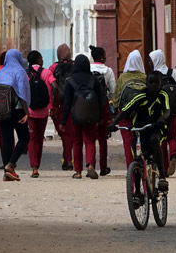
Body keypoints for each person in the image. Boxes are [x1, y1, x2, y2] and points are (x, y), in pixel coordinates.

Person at [110, 71, 171, 192]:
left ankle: (162, 177)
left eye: (156, 83)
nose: (153, 85)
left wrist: (162, 118)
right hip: (141, 130)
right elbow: (125, 111)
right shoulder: (140, 96)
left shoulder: (163, 95)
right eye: (151, 82)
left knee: (154, 140)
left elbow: (167, 110)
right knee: (136, 158)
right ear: (146, 83)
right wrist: (113, 123)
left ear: (161, 83)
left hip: (157, 128)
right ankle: (137, 192)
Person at [60, 54, 106, 179]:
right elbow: (100, 99)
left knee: (77, 141)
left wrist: (63, 121)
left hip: (74, 115)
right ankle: (91, 165)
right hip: (91, 114)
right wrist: (101, 116)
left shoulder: (70, 80)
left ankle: (78, 171)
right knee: (90, 140)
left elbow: (67, 103)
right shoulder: (94, 79)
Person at [0, 49, 31, 181]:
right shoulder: (20, 72)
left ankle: (7, 171)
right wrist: (27, 113)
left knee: (7, 139)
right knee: (24, 137)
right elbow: (23, 94)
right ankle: (11, 164)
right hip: (18, 110)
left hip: (2, 110)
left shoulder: (1, 72)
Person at [149, 49, 176, 176]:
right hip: (173, 112)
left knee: (162, 139)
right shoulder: (173, 73)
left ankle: (164, 168)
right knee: (172, 136)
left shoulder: (153, 76)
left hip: (159, 113)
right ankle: (173, 157)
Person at [115, 50, 147, 168]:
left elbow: (116, 98)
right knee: (143, 139)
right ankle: (144, 166)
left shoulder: (122, 78)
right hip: (141, 114)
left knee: (128, 142)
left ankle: (130, 167)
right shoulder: (145, 77)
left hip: (125, 115)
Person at [25, 50, 54, 179]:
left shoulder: (25, 74)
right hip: (43, 111)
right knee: (39, 139)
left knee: (31, 138)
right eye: (41, 58)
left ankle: (34, 167)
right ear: (38, 60)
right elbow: (55, 86)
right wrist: (53, 105)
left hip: (29, 111)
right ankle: (38, 164)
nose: (42, 60)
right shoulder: (47, 72)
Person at [90, 45, 115, 176]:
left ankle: (91, 165)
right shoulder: (108, 71)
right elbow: (113, 91)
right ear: (102, 57)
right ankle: (103, 167)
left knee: (90, 137)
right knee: (102, 138)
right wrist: (108, 99)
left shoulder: (88, 68)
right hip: (103, 105)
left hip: (89, 104)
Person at [49, 44, 74, 171]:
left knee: (64, 133)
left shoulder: (53, 67)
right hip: (74, 104)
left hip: (58, 104)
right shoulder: (75, 65)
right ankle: (72, 159)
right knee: (73, 132)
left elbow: (50, 88)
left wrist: (52, 106)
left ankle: (68, 159)